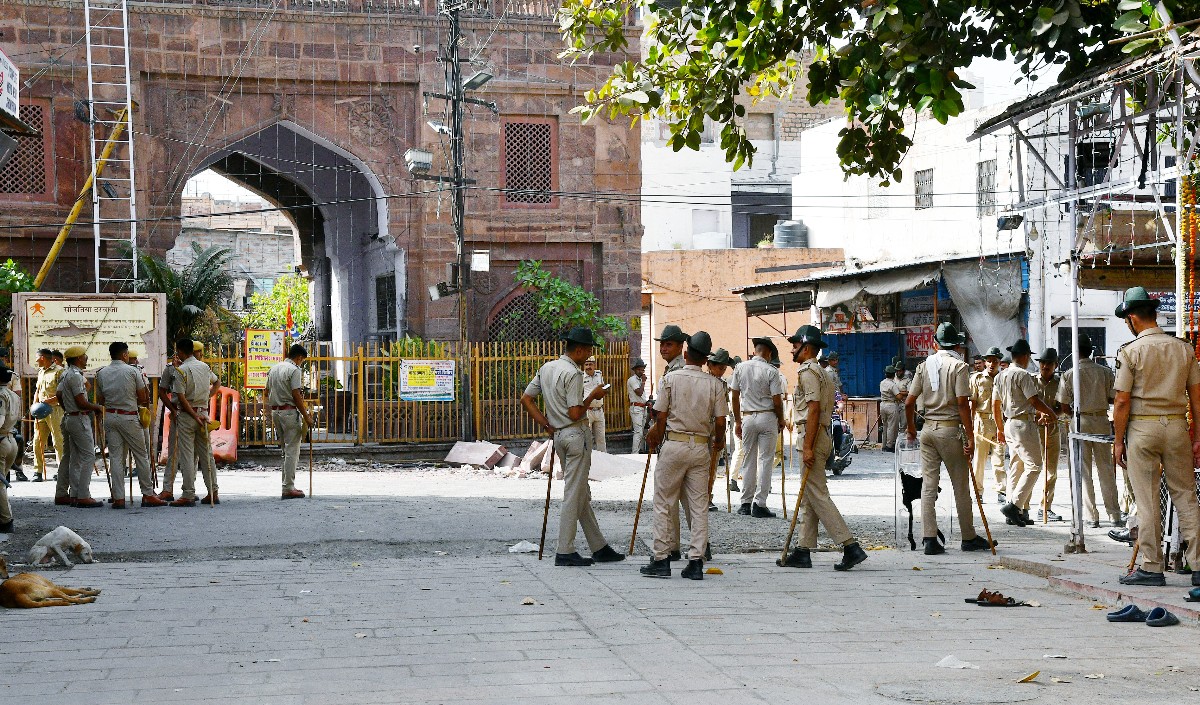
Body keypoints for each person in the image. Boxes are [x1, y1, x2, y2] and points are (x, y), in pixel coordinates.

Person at [1111, 287, 1200, 587]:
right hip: (1176, 427)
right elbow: (1197, 399)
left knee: (1148, 500)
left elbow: (1122, 401)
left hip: (1143, 429)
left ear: (1133, 318)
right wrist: (1197, 435)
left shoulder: (1130, 351)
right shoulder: (1184, 348)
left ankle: (1151, 567)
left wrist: (1118, 440)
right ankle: (1198, 564)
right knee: (1186, 496)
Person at [520, 327, 625, 566]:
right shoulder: (574, 374)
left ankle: (599, 546)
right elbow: (576, 411)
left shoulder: (547, 368)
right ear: (578, 350)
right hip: (576, 433)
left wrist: (546, 423)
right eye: (587, 350)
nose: (588, 355)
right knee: (573, 493)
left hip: (558, 435)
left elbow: (526, 399)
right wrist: (594, 395)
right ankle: (564, 550)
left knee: (580, 492)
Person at [778, 325, 868, 571]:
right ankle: (803, 550)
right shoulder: (824, 373)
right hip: (822, 434)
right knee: (810, 494)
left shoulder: (808, 372)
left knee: (817, 493)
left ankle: (850, 546)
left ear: (806, 348)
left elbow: (814, 409)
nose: (792, 351)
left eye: (795, 346)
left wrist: (807, 447)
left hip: (812, 434)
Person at [640, 332, 728, 580]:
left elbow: (661, 415)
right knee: (699, 506)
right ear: (706, 359)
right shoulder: (715, 384)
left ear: (686, 353)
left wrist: (654, 435)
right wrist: (718, 443)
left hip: (675, 444)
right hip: (701, 446)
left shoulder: (671, 379)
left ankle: (661, 558)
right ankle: (696, 561)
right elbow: (720, 421)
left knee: (664, 502)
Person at [904, 323, 994, 554]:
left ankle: (929, 539)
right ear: (956, 344)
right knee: (961, 486)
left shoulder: (923, 366)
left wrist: (912, 429)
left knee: (928, 486)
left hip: (927, 432)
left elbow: (909, 402)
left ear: (935, 344)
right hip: (950, 430)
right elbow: (963, 403)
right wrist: (971, 437)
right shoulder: (959, 367)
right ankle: (968, 537)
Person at [1057, 334, 1121, 528]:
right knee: (1106, 470)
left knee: (1084, 470)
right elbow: (1113, 399)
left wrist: (1076, 411)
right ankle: (1114, 515)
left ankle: (1092, 516)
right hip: (1101, 419)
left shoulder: (1069, 374)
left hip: (1080, 420)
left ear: (1075, 352)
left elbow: (1063, 404)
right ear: (1091, 351)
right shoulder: (1104, 372)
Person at [992, 339, 1056, 527]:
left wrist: (999, 427)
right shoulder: (1023, 375)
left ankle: (1014, 511)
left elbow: (995, 405)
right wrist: (1050, 412)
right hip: (1022, 424)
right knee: (1035, 466)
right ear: (1025, 356)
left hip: (1009, 423)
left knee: (1017, 466)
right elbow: (1034, 400)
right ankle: (1015, 505)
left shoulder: (1000, 376)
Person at [95, 342, 165, 508]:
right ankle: (147, 494)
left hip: (111, 417)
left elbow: (100, 400)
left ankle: (118, 497)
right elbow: (143, 397)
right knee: (141, 455)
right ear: (125, 355)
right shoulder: (133, 371)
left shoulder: (101, 373)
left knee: (116, 458)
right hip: (129, 417)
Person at [730, 336, 784, 517]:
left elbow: (735, 397)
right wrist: (781, 419)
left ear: (755, 351)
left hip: (747, 418)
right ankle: (759, 504)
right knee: (766, 460)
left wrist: (738, 421)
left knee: (748, 460)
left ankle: (745, 503)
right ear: (768, 353)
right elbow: (777, 400)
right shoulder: (771, 371)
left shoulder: (739, 368)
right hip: (767, 416)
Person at [169, 338, 220, 507]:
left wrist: (192, 414)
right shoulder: (204, 367)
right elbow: (217, 381)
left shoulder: (180, 370)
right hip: (203, 414)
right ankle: (213, 491)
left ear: (181, 352)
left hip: (187, 416)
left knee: (187, 455)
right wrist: (207, 397)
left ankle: (188, 494)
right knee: (207, 454)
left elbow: (181, 397)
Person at [55, 346, 103, 508]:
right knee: (88, 455)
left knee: (73, 457)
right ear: (77, 359)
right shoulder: (75, 376)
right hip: (78, 418)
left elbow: (59, 395)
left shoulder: (65, 374)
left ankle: (71, 493)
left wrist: (67, 408)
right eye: (84, 356)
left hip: (69, 417)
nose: (86, 358)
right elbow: (81, 402)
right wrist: (96, 407)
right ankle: (83, 495)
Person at [267, 344, 315, 500]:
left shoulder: (274, 369)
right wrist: (306, 416)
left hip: (276, 411)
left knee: (284, 451)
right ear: (299, 358)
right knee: (292, 450)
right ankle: (288, 487)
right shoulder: (294, 370)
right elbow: (296, 395)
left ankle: (286, 484)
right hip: (289, 412)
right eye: (302, 361)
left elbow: (266, 391)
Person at [969, 347, 1006, 503]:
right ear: (985, 362)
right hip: (982, 422)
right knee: (979, 459)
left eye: (995, 361)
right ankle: (978, 491)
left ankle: (1001, 491)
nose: (992, 364)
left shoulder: (1003, 378)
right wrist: (969, 427)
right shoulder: (977, 379)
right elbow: (973, 403)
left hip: (999, 422)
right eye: (989, 361)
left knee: (999, 459)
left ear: (999, 362)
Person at [1033, 348, 1064, 522]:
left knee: (1051, 472)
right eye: (1042, 363)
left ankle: (1045, 507)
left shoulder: (1060, 383)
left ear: (1055, 365)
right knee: (1031, 468)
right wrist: (1039, 414)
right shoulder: (1031, 381)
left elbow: (1063, 406)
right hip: (1033, 429)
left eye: (1049, 363)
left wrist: (1052, 414)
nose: (1045, 366)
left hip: (1052, 429)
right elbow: (1027, 403)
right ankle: (1021, 507)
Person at [32, 348, 65, 483]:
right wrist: (34, 407)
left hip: (55, 410)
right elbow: (38, 390)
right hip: (40, 410)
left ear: (43, 358)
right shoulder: (41, 371)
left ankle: (61, 471)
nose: (35, 361)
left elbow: (62, 393)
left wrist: (48, 401)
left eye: (37, 358)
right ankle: (37, 471)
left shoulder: (59, 371)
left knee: (58, 441)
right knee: (37, 441)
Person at [0, 362, 19, 531]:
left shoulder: (0, 395)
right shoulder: (13, 395)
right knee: (2, 482)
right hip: (11, 439)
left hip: (1, 441)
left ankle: (6, 521)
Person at [581, 356, 607, 452]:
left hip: (599, 410)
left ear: (594, 365)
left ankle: (604, 461)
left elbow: (602, 387)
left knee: (601, 438)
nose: (588, 367)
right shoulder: (581, 377)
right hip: (588, 411)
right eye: (586, 364)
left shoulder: (599, 374)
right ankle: (588, 461)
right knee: (587, 439)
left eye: (590, 364)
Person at [627, 359, 649, 454]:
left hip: (642, 408)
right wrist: (644, 382)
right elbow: (639, 393)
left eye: (642, 370)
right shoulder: (632, 380)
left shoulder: (639, 380)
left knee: (641, 432)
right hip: (636, 409)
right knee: (638, 432)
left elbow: (641, 396)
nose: (641, 371)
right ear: (635, 370)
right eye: (639, 369)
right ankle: (635, 454)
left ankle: (639, 451)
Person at [879, 365, 901, 452]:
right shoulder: (892, 384)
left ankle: (884, 445)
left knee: (885, 425)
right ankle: (890, 445)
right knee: (892, 426)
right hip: (891, 405)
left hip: (883, 405)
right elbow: (898, 396)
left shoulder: (882, 382)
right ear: (894, 374)